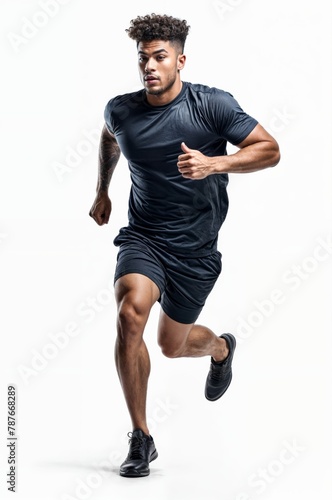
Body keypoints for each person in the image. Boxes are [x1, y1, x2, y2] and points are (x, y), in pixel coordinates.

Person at [89, 13, 280, 478]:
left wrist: (215, 164)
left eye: (159, 57)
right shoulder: (121, 109)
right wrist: (102, 190)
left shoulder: (211, 105)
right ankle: (141, 436)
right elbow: (111, 138)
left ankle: (220, 350)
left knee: (172, 345)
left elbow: (270, 149)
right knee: (130, 313)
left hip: (195, 249)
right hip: (144, 237)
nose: (150, 66)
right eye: (143, 58)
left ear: (180, 60)